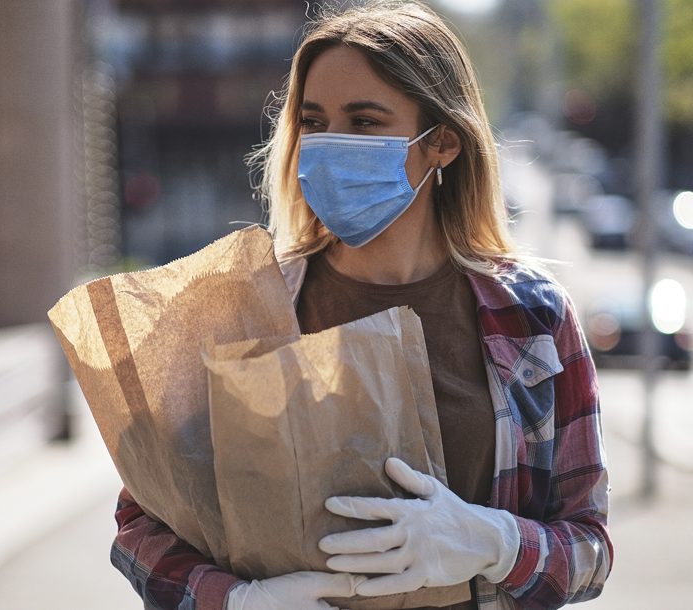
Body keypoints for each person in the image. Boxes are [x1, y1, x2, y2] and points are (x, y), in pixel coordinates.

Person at [111, 2, 612, 609]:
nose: (329, 145)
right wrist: (237, 603)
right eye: (314, 121)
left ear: (444, 143)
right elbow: (142, 522)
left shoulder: (533, 319)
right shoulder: (241, 311)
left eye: (365, 121)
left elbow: (589, 550)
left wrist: (495, 543)